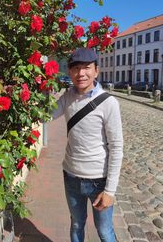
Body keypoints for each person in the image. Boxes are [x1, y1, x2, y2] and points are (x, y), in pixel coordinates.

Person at [52, 47, 123, 242]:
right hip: (71, 176)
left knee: (105, 231)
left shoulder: (109, 103)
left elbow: (116, 148)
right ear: (69, 72)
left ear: (96, 70)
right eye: (76, 68)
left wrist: (110, 191)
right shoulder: (67, 97)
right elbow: (46, 115)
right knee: (76, 224)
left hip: (98, 180)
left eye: (86, 68)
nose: (81, 73)